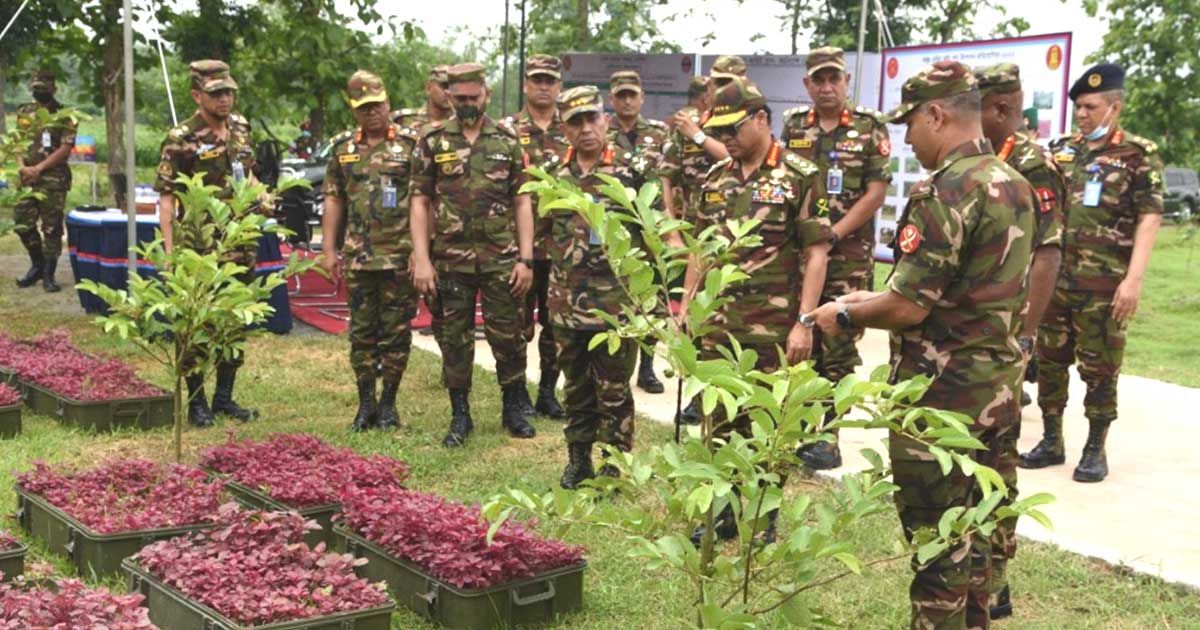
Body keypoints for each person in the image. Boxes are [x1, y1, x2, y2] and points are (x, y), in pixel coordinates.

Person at [810, 60, 1035, 629]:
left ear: (937, 114)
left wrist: (843, 312)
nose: (907, 136)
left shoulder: (946, 189)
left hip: (943, 403)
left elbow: (911, 307)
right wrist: (873, 294)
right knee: (979, 541)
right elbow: (964, 287)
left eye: (911, 122)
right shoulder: (1013, 181)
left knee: (938, 550)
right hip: (997, 392)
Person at [685, 77, 831, 544]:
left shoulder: (800, 174)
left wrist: (805, 321)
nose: (726, 138)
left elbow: (817, 253)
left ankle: (764, 517)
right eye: (719, 129)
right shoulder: (715, 178)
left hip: (774, 326)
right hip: (720, 326)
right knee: (720, 422)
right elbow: (700, 250)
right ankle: (724, 511)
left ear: (763, 119)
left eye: (734, 128)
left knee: (770, 425)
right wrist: (688, 304)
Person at [1021, 63, 1164, 483]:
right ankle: (1051, 440)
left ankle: (1094, 447)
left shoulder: (1138, 154)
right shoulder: (1063, 149)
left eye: (1090, 106)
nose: (1081, 115)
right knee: (1049, 363)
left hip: (1104, 286)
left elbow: (1149, 218)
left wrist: (1133, 280)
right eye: (1077, 107)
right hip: (1055, 283)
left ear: (1114, 107)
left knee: (1100, 369)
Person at [975, 61, 1066, 619]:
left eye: (977, 107)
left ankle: (997, 575)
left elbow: (1048, 253)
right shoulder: (979, 164)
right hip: (973, 336)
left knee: (998, 461)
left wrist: (1026, 334)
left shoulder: (1033, 165)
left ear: (1004, 108)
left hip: (1007, 337)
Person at [409, 62, 536, 448]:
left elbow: (522, 200)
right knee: (454, 339)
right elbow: (419, 202)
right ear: (448, 97)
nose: (466, 104)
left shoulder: (508, 140)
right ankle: (460, 414)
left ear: (487, 94)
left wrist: (525, 259)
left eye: (473, 97)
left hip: (501, 258)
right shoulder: (432, 140)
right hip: (450, 259)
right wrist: (422, 259)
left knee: (508, 336)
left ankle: (513, 407)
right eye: (459, 98)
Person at [781, 46, 892, 470]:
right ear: (808, 84)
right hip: (803, 256)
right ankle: (801, 427)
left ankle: (830, 436)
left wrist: (833, 233)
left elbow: (876, 192)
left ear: (846, 82)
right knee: (802, 336)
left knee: (839, 344)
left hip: (848, 256)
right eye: (819, 80)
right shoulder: (794, 126)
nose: (827, 87)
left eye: (835, 79)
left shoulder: (868, 127)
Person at [549, 86, 650, 488]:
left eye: (592, 119)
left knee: (613, 390)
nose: (586, 129)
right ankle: (579, 460)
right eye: (576, 122)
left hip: (616, 305)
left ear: (605, 120)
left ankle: (615, 466)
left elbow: (651, 236)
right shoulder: (554, 177)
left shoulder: (633, 172)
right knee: (575, 389)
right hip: (566, 303)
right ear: (564, 129)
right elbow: (543, 235)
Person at [155, 60, 261, 428]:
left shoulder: (242, 128)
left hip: (239, 241)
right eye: (216, 93)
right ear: (196, 94)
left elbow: (249, 174)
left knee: (234, 320)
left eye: (229, 91)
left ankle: (225, 397)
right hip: (199, 245)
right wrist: (170, 254)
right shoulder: (181, 137)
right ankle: (197, 401)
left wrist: (263, 198)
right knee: (196, 324)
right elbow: (167, 198)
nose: (225, 99)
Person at [320, 70, 421, 432]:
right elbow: (333, 198)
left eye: (377, 105)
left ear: (388, 102)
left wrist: (420, 251)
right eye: (364, 108)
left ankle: (389, 403)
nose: (373, 113)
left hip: (400, 253)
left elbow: (425, 201)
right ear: (354, 110)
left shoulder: (412, 145)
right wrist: (328, 249)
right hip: (359, 255)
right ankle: (366, 405)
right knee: (362, 333)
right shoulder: (343, 148)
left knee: (396, 332)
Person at [663, 55, 747, 423]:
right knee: (698, 315)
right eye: (717, 81)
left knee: (739, 316)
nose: (721, 87)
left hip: (741, 235)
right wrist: (670, 226)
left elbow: (733, 157)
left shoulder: (745, 125)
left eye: (730, 80)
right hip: (700, 231)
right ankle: (699, 397)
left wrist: (698, 137)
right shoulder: (690, 123)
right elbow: (666, 175)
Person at [506, 53, 570, 421]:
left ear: (559, 87)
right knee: (515, 324)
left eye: (550, 80)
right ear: (526, 85)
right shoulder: (509, 129)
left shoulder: (573, 128)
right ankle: (516, 394)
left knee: (556, 325)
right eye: (537, 80)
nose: (544, 86)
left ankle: (547, 391)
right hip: (519, 247)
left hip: (562, 247)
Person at [606, 70, 669, 395]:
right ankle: (616, 366)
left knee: (650, 300)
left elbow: (669, 177)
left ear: (642, 98)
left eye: (632, 94)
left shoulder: (658, 133)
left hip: (650, 227)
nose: (627, 100)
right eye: (621, 95)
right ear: (612, 99)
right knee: (617, 297)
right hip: (615, 228)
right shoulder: (602, 131)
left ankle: (646, 368)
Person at [13, 70, 77, 293]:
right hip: (26, 178)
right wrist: (23, 166)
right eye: (36, 88)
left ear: (54, 89)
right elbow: (19, 141)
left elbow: (66, 148)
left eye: (44, 87)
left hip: (53, 179)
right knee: (21, 222)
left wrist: (39, 168)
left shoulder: (66, 115)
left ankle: (49, 274)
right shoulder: (25, 111)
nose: (39, 91)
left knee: (52, 228)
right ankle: (37, 264)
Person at [393, 65, 453, 131]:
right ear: (428, 88)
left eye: (453, 87)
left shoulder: (461, 123)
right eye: (444, 86)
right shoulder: (404, 119)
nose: (449, 92)